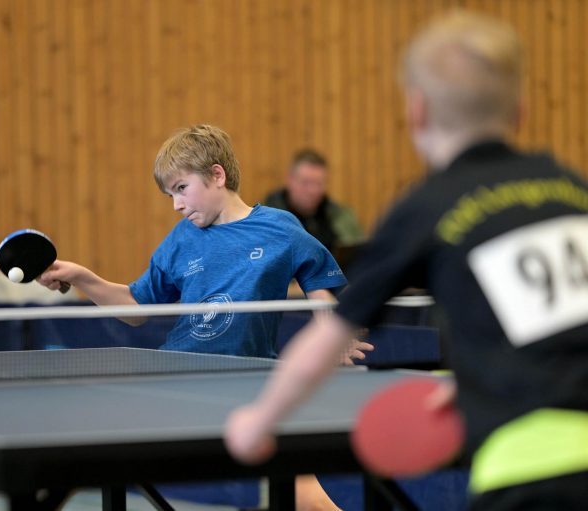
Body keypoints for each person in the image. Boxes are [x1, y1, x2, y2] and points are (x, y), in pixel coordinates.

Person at [225, 11, 588, 511]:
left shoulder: (427, 207)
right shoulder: (571, 191)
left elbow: (327, 339)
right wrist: (475, 381)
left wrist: (259, 420)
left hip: (531, 474)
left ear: (416, 112)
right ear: (520, 111)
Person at [39, 124, 374, 510]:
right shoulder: (180, 240)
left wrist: (334, 333)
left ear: (217, 175)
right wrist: (83, 277)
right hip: (178, 378)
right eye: (170, 194)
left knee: (302, 491)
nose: (176, 205)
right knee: (92, 454)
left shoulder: (280, 228)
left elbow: (318, 281)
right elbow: (135, 307)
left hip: (250, 379)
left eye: (181, 188)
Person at [264, 149, 365, 254]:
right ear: (290, 180)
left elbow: (359, 255)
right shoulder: (265, 220)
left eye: (319, 183)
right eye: (305, 183)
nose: (312, 191)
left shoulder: (341, 216)